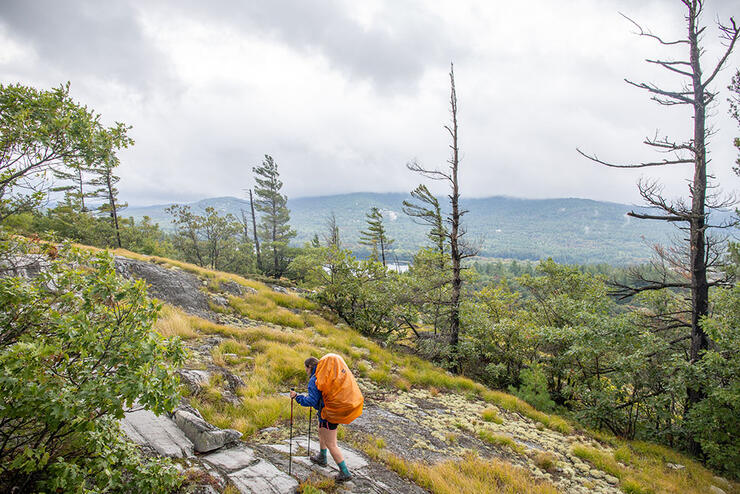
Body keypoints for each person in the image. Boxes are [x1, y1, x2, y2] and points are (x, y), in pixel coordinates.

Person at [290, 356, 353, 482]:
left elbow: (311, 401)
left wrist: (297, 397)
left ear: (309, 367)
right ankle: (322, 457)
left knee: (331, 443)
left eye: (306, 368)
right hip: (329, 411)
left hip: (329, 415)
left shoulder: (315, 379)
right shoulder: (325, 375)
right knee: (320, 432)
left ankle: (345, 472)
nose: (305, 371)